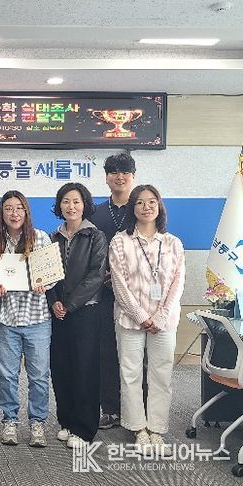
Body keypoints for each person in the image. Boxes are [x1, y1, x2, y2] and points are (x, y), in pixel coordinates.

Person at [109, 184, 184, 456]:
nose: (146, 207)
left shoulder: (173, 243)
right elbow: (119, 284)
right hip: (130, 320)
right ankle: (138, 428)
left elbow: (177, 283)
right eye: (140, 202)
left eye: (152, 201)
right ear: (133, 208)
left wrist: (160, 316)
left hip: (164, 321)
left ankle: (156, 429)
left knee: (161, 374)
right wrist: (141, 316)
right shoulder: (120, 242)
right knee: (130, 374)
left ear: (159, 206)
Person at [0, 190, 52, 448]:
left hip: (37, 317)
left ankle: (37, 422)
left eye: (18, 208)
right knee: (7, 375)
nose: (14, 213)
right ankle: (10, 420)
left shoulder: (40, 238)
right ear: (1, 213)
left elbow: (52, 275)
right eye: (8, 209)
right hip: (7, 318)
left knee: (39, 376)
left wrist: (44, 283)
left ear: (26, 211)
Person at [47, 182, 107, 448]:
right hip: (58, 312)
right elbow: (46, 276)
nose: (71, 206)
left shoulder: (96, 236)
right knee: (61, 367)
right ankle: (67, 422)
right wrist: (54, 302)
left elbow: (97, 275)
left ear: (85, 205)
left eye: (76, 201)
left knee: (85, 368)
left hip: (85, 311)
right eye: (66, 201)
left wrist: (69, 304)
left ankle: (84, 428)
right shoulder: (53, 237)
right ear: (59, 206)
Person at [89, 152, 136, 430]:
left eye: (125, 172)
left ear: (133, 176)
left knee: (135, 355)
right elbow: (86, 251)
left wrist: (121, 278)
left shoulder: (142, 207)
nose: (120, 177)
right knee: (106, 351)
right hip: (101, 294)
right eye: (114, 172)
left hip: (136, 295)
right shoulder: (94, 212)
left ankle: (135, 410)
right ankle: (110, 409)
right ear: (106, 177)